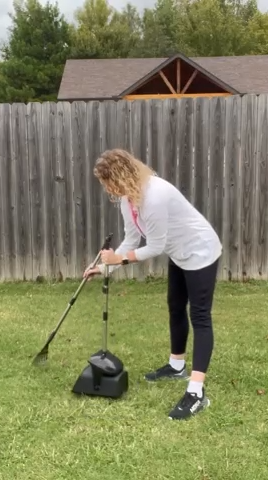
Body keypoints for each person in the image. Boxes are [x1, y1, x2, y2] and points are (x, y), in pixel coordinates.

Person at [83, 148, 222, 420]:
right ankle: (176, 366)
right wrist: (104, 267)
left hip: (201, 252)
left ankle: (196, 392)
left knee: (200, 316)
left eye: (108, 181)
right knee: (175, 306)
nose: (107, 188)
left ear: (121, 175)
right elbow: (131, 241)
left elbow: (154, 247)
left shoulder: (155, 195)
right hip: (179, 253)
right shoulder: (128, 199)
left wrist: (118, 260)